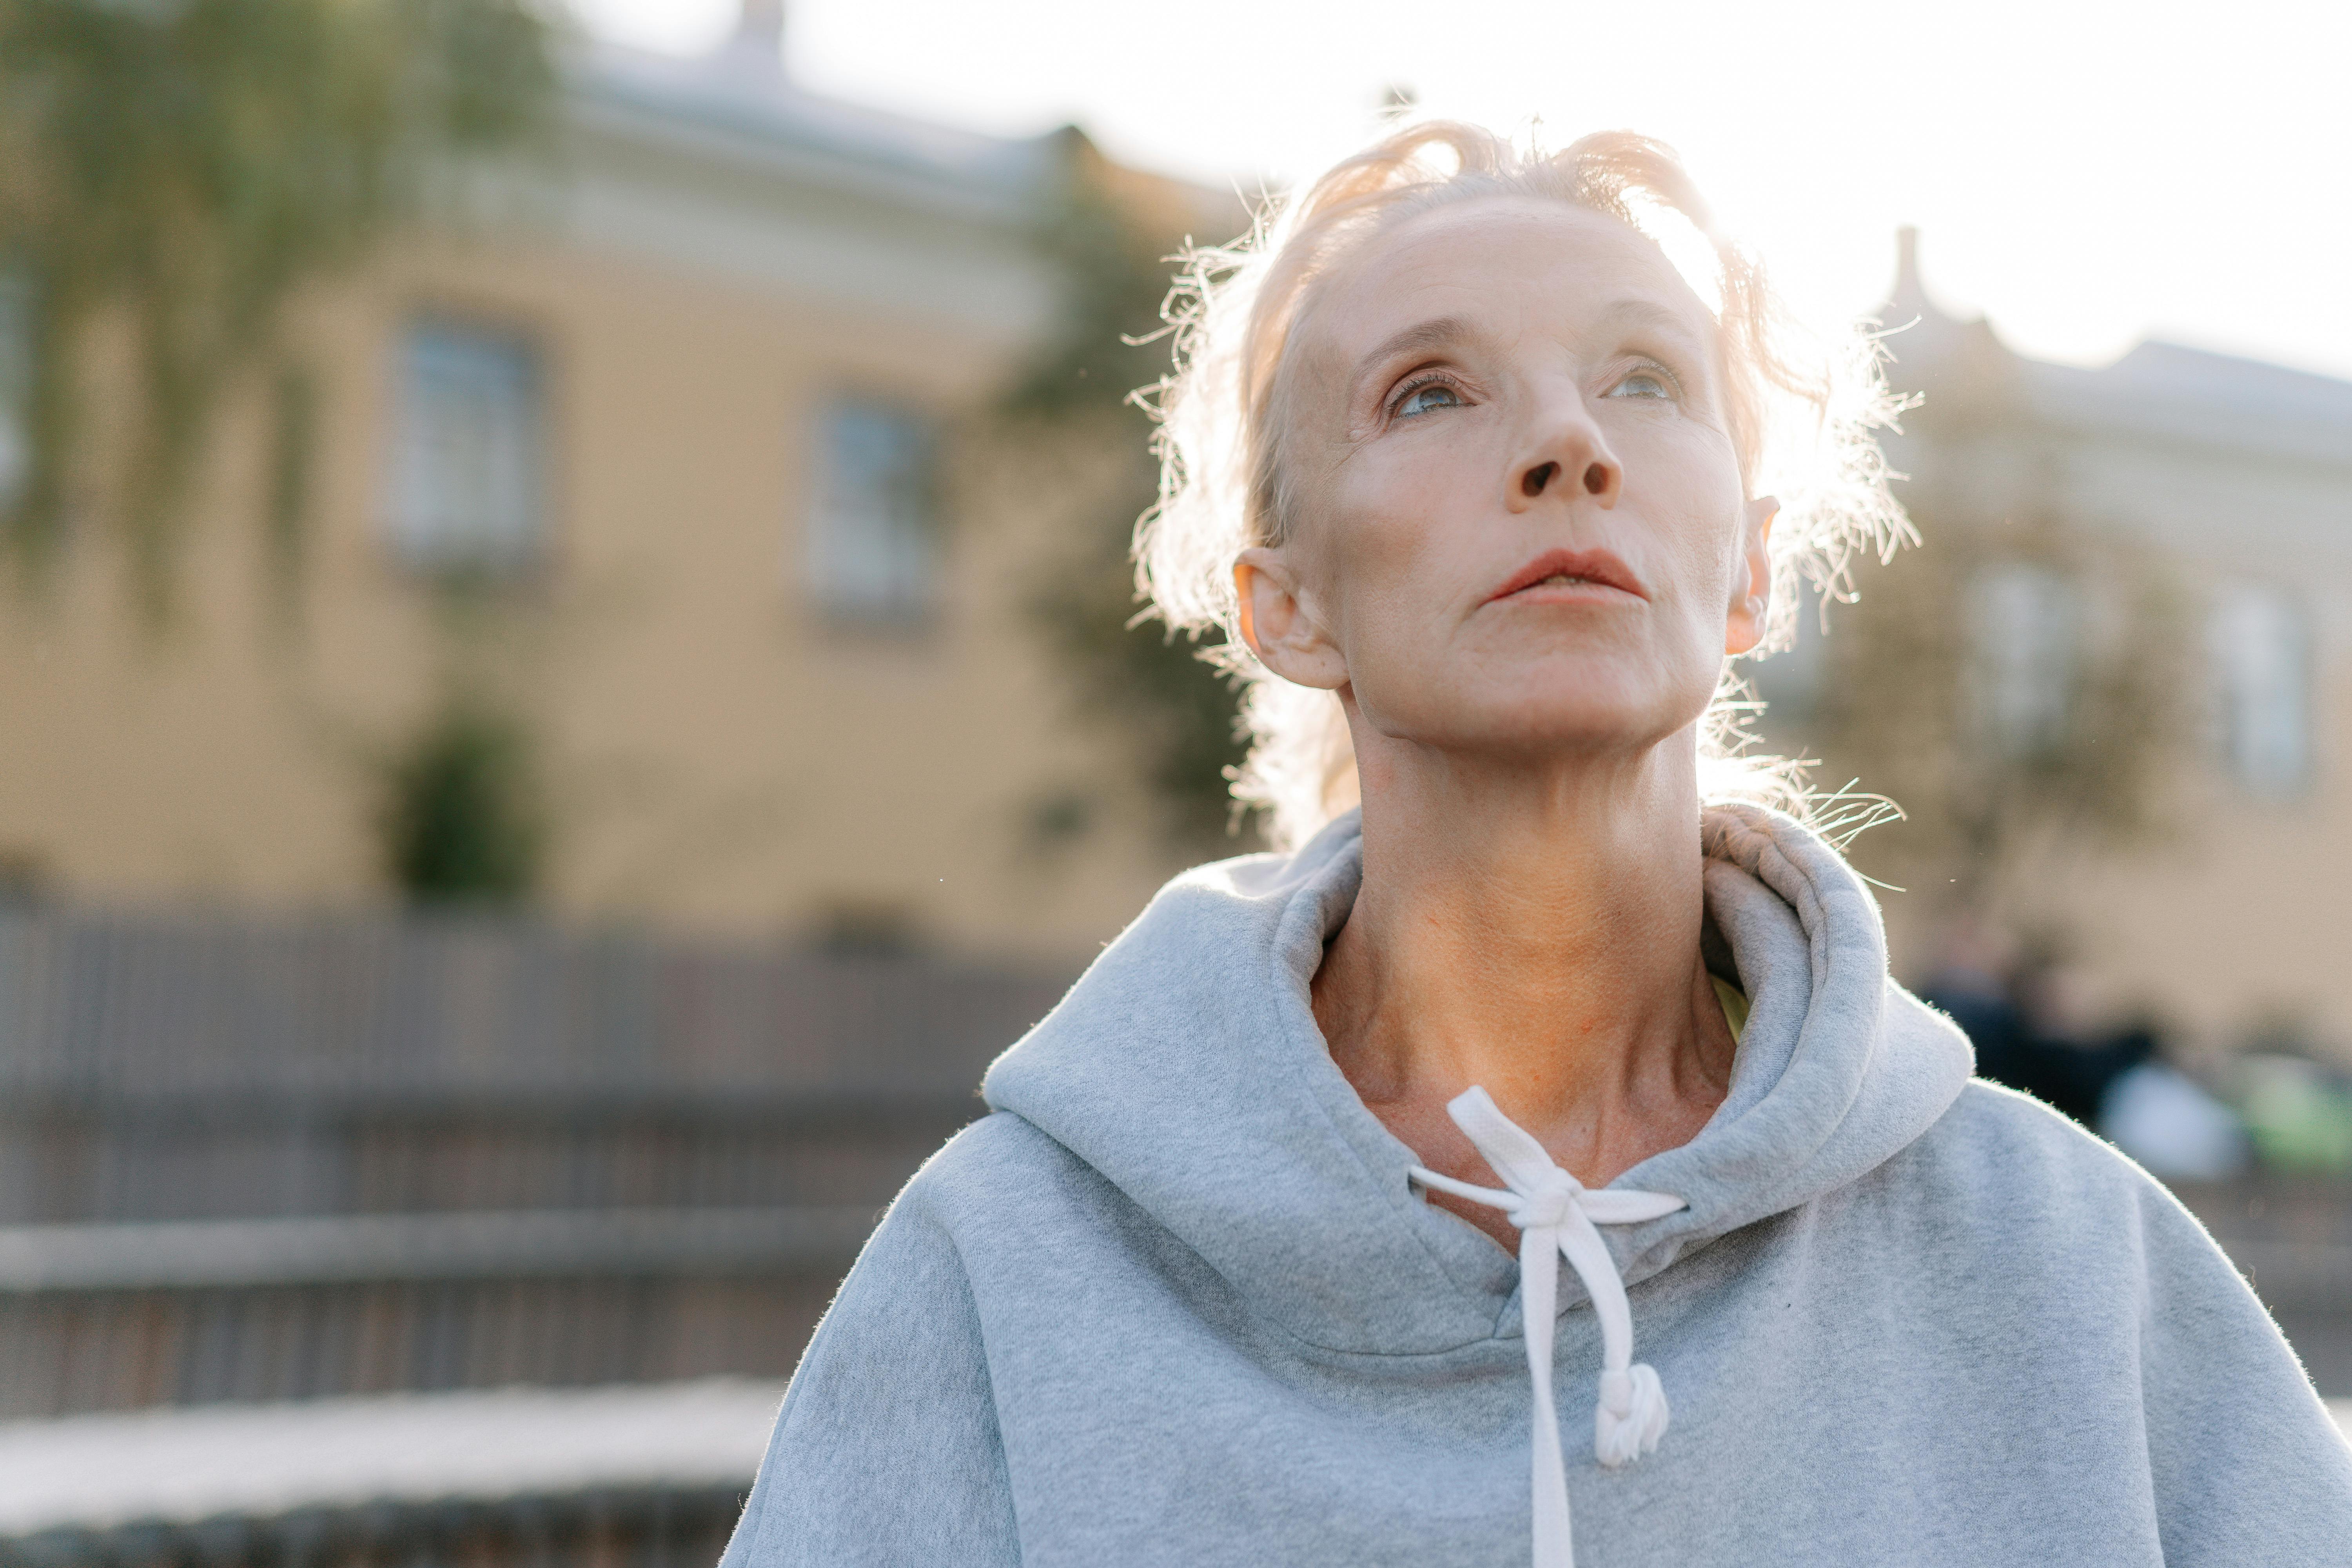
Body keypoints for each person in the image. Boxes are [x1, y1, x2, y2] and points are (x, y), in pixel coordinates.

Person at [720, 122, 2352, 1565]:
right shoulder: (1007, 1275)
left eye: (1645, 379)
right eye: (1428, 390)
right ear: (1283, 602)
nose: (1572, 444)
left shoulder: (2070, 1267)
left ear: (1749, 577)